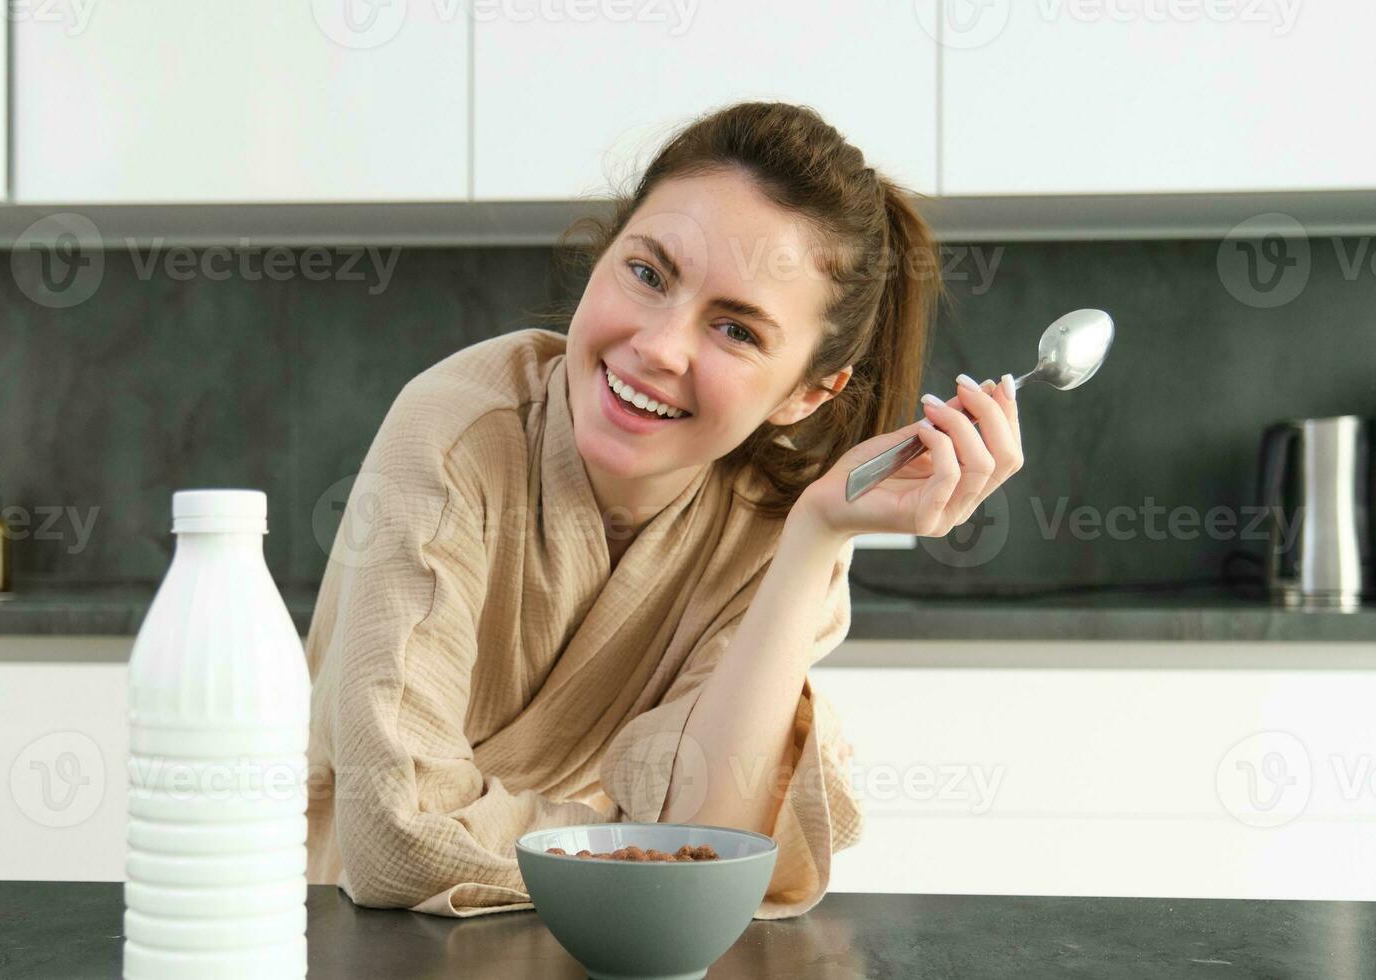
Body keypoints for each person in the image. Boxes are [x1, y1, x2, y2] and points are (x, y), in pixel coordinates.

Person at [304, 102, 1024, 919]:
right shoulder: (453, 433)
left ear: (805, 394)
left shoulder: (780, 527)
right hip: (372, 943)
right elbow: (399, 837)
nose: (658, 345)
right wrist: (636, 843)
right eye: (647, 274)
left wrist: (817, 538)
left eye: (736, 330)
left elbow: (711, 844)